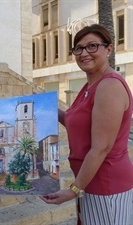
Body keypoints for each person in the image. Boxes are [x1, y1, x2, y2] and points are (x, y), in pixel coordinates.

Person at [40, 24, 133, 225]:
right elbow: (76, 123)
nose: (84, 53)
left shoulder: (109, 86)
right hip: (89, 181)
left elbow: (101, 148)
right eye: (79, 48)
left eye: (92, 46)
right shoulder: (90, 85)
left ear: (108, 49)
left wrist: (74, 189)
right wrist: (45, 108)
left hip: (107, 184)